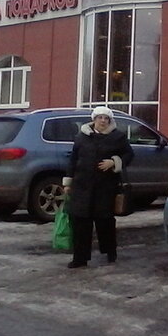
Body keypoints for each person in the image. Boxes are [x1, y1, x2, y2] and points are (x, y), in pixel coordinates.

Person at [63, 106, 134, 268]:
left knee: (105, 221)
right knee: (80, 222)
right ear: (94, 119)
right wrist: (68, 182)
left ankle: (110, 252)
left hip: (105, 187)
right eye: (100, 117)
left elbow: (129, 155)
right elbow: (73, 159)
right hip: (82, 186)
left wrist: (114, 162)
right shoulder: (82, 136)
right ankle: (80, 258)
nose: (103, 121)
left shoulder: (117, 137)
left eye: (106, 118)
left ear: (110, 120)